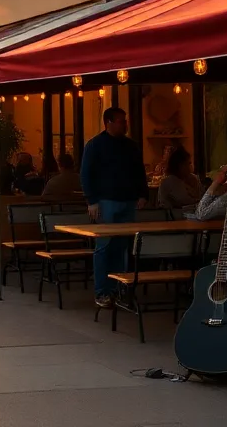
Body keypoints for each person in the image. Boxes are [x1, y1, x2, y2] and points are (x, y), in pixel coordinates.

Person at [80, 107, 148, 308]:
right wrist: (91, 201)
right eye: (121, 121)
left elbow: (139, 171)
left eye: (125, 121)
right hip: (105, 201)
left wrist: (143, 193)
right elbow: (86, 174)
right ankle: (102, 291)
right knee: (104, 247)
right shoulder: (95, 145)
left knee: (122, 247)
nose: (125, 124)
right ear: (108, 122)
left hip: (128, 201)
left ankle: (119, 289)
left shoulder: (131, 146)